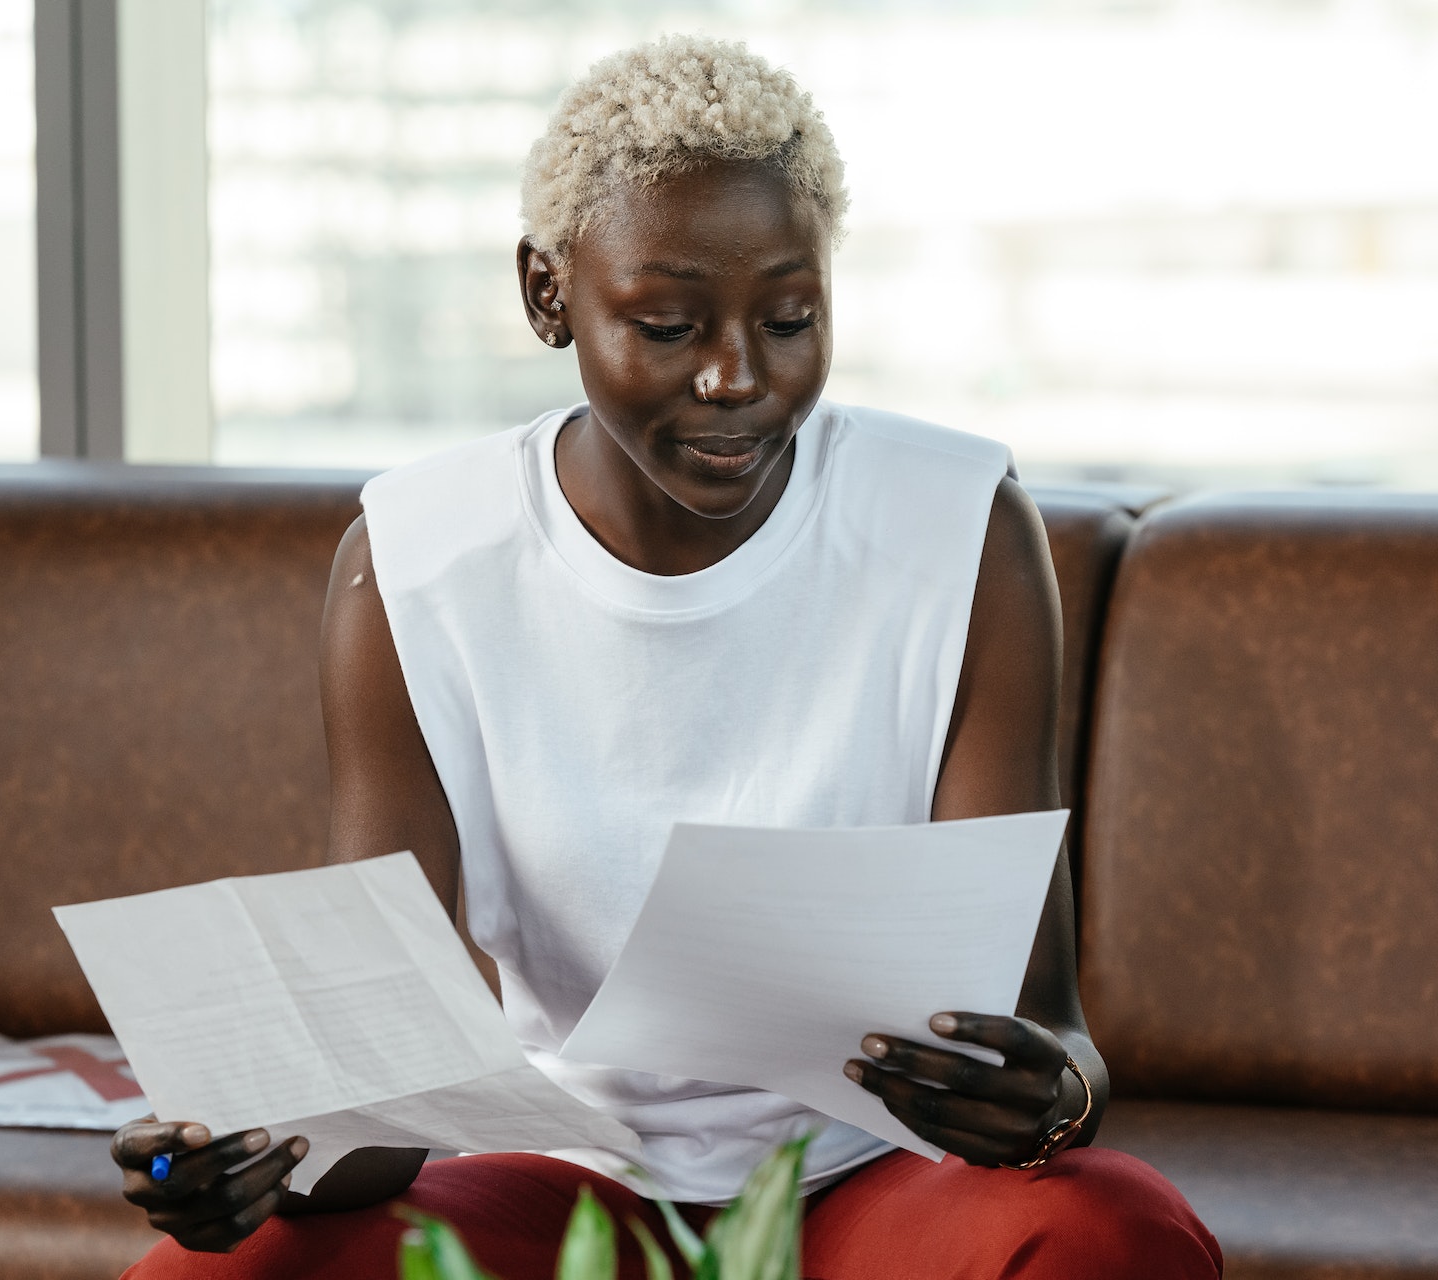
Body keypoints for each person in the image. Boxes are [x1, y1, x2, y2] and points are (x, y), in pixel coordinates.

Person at [112, 35, 1221, 1279]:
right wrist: (258, 1159)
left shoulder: (960, 530)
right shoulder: (416, 562)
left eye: (790, 317)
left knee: (1109, 1227)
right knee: (212, 1275)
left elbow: (1050, 1027)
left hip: (871, 1173)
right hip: (574, 1176)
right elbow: (388, 1084)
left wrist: (1051, 1097)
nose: (738, 375)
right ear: (547, 295)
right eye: (669, 323)